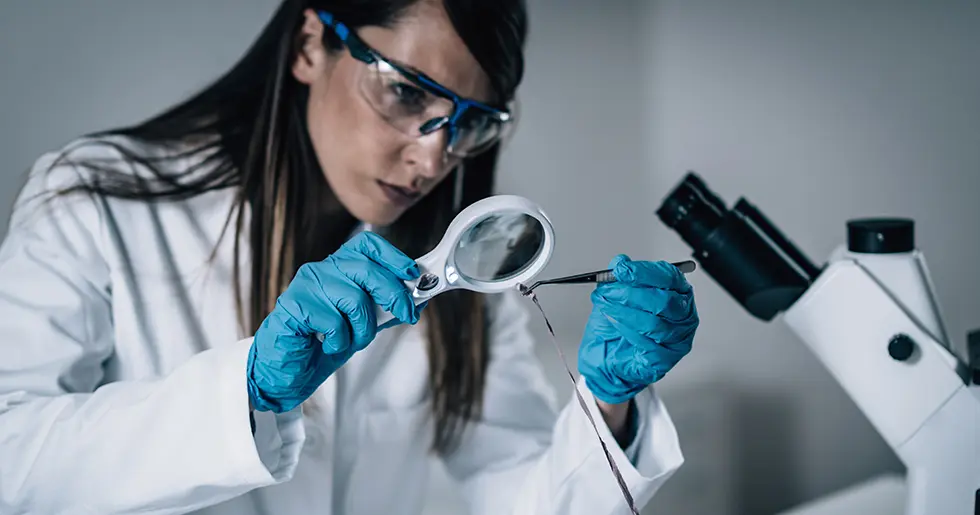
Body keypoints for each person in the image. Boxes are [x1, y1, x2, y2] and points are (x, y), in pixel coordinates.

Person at [0, 0, 700, 514]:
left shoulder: (462, 264)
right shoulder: (95, 198)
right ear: (311, 42)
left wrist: (608, 406)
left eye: (469, 122)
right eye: (405, 91)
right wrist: (244, 392)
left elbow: (520, 496)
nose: (433, 156)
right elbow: (12, 460)